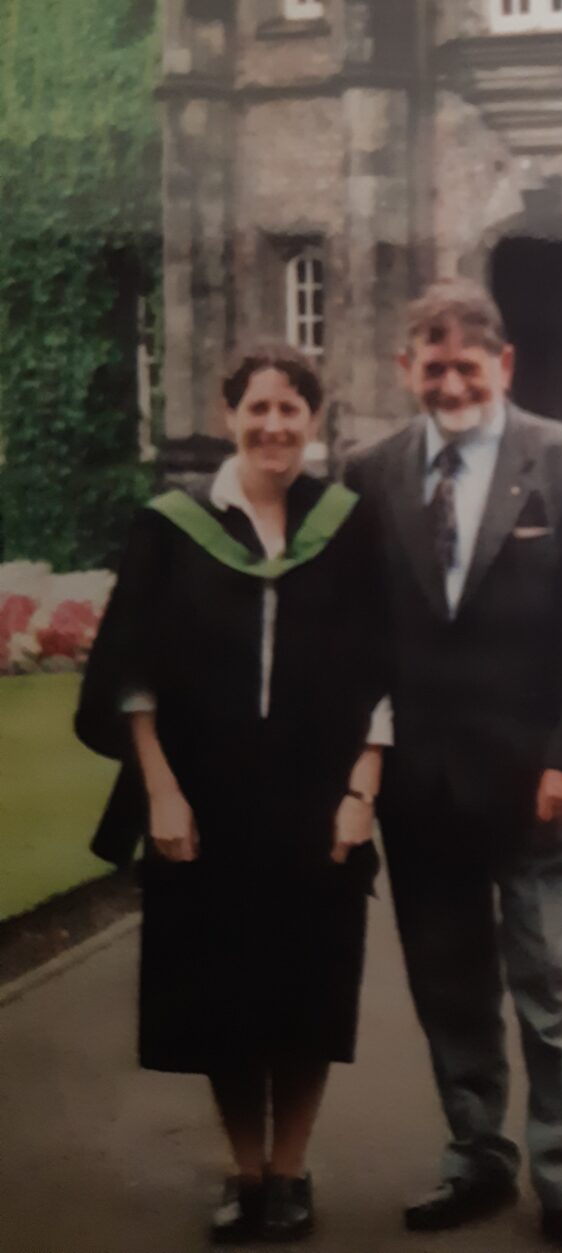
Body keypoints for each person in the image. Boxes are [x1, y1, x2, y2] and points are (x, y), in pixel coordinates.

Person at [74, 345, 391, 1245]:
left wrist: (361, 789)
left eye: (292, 409)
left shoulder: (349, 524)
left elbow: (384, 669)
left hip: (315, 795)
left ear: (314, 420)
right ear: (230, 416)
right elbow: (130, 671)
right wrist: (160, 791)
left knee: (305, 992)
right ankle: (243, 1171)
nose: (274, 425)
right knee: (222, 994)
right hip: (204, 796)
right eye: (258, 407)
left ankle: (290, 1171)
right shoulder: (171, 525)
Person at [345, 281, 562, 1253]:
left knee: (550, 982)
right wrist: (363, 766)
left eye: (468, 364)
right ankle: (476, 1155)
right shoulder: (370, 474)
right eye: (433, 366)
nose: (451, 381)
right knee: (448, 983)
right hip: (422, 786)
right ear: (406, 370)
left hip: (533, 781)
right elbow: (356, 640)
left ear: (502, 367)